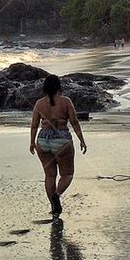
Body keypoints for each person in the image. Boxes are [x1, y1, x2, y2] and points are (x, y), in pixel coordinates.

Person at [30, 74, 87, 220]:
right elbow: (74, 122)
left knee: (49, 175)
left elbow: (34, 125)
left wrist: (32, 142)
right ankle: (57, 195)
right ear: (59, 87)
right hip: (61, 139)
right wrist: (81, 140)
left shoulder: (39, 104)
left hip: (43, 139)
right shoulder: (66, 101)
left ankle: (53, 206)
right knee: (67, 174)